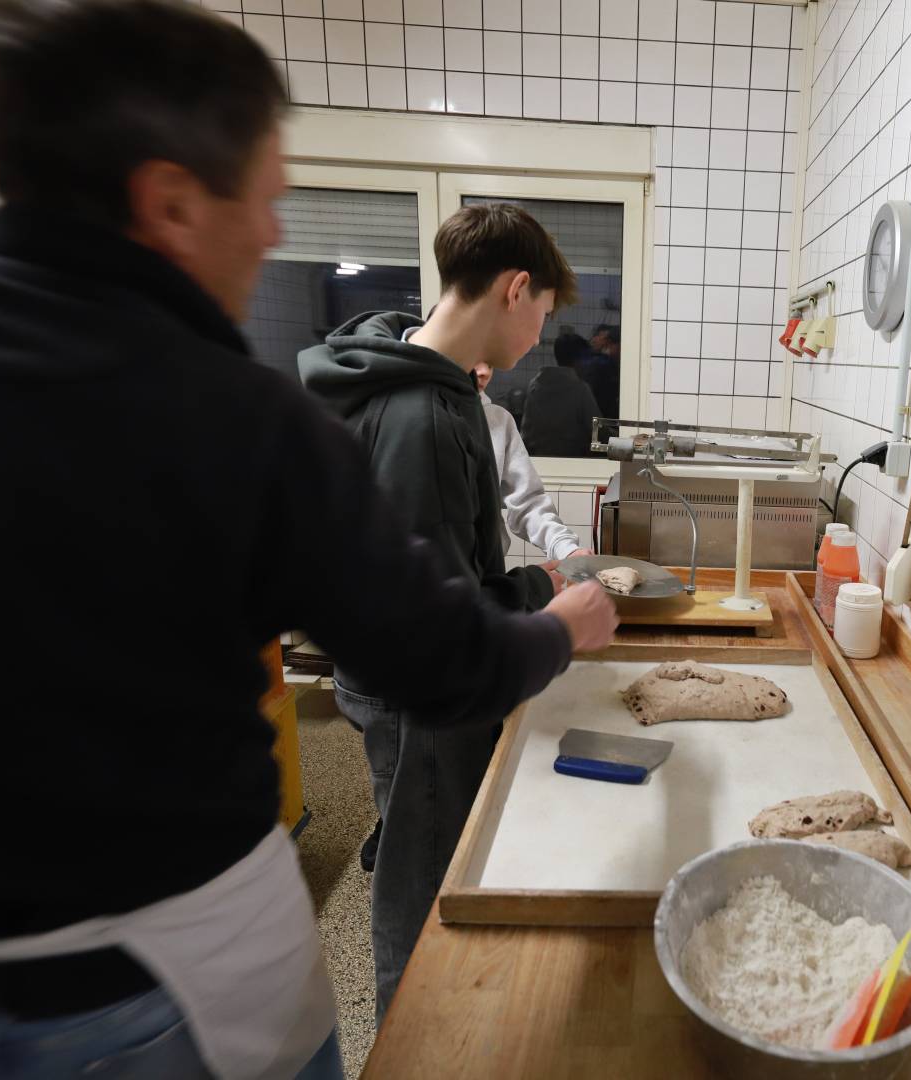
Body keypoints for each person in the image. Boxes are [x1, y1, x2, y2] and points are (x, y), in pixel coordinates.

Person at [0, 3, 617, 1077]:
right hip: (172, 979)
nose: (274, 234)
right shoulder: (229, 411)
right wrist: (559, 624)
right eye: (264, 199)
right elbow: (436, 654)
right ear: (169, 199)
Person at [296, 203, 583, 1020]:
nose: (537, 337)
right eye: (543, 315)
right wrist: (548, 598)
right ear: (516, 289)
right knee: (419, 900)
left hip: (395, 680)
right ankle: (410, 1040)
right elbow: (437, 619)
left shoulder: (420, 380)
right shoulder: (421, 416)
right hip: (420, 701)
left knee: (428, 859)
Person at [473, 362, 593, 563]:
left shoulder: (498, 420)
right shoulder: (412, 408)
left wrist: (565, 548)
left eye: (491, 363)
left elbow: (526, 502)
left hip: (485, 577)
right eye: (475, 357)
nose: (484, 372)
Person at [520, 331, 604, 457]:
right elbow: (597, 431)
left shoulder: (535, 385)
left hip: (539, 460)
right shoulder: (580, 389)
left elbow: (526, 432)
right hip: (571, 462)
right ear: (579, 361)